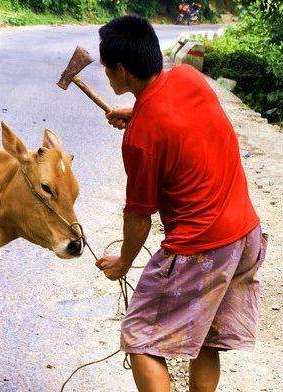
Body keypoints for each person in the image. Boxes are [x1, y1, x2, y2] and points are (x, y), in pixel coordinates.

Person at [95, 15, 266, 392]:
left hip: (202, 251)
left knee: (141, 339)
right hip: (246, 236)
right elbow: (174, 114)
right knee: (203, 336)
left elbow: (139, 215)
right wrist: (137, 111)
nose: (106, 75)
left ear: (121, 71)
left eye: (107, 68)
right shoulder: (188, 77)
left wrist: (123, 262)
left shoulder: (140, 139)